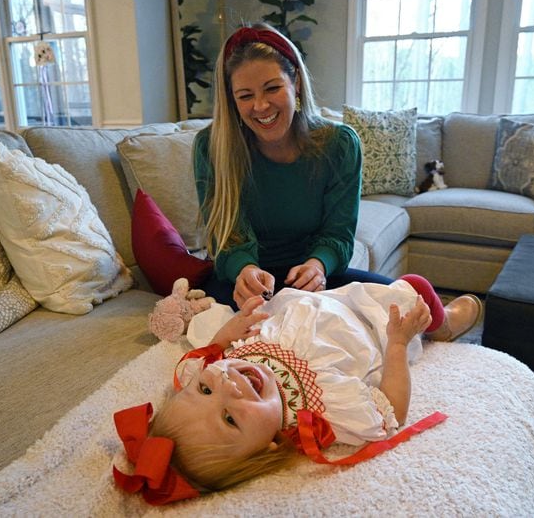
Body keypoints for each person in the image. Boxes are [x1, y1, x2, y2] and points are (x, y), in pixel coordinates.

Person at [192, 22, 479, 342]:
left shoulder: (340, 144)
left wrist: (318, 264)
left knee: (397, 305)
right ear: (232, 101)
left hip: (311, 278)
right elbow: (224, 235)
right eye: (245, 96)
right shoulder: (211, 147)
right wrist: (243, 269)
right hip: (241, 286)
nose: (260, 106)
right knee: (225, 333)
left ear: (296, 83)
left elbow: (338, 234)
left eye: (272, 88)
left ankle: (444, 322)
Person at [112, 274, 474, 504]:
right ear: (266, 447)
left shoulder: (215, 367)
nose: (230, 384)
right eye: (230, 418)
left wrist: (231, 330)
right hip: (369, 323)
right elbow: (391, 413)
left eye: (205, 390)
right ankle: (441, 326)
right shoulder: (320, 413)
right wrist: (396, 344)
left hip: (329, 299)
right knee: (414, 292)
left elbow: (204, 356)